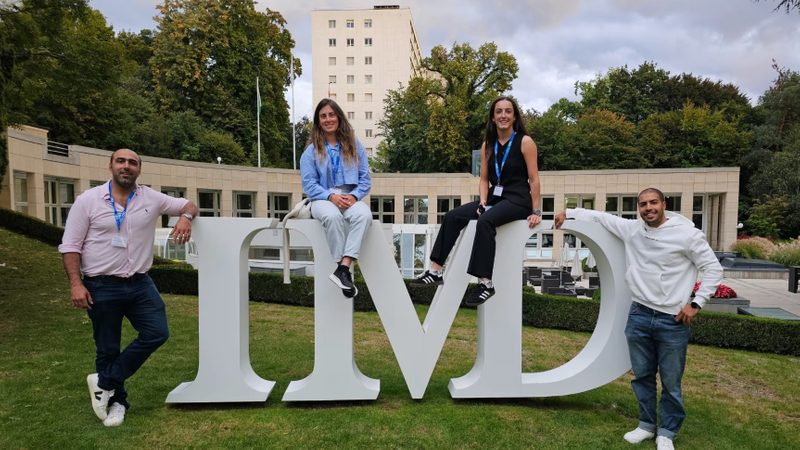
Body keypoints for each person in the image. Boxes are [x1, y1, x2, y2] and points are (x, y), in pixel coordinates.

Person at [554, 188, 722, 450]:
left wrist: (696, 303)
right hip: (639, 314)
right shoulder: (633, 229)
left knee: (671, 382)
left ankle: (667, 432)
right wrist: (569, 212)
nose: (648, 208)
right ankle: (646, 425)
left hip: (672, 320)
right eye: (643, 204)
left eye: (653, 202)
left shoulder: (687, 234)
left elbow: (713, 268)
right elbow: (601, 217)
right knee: (642, 376)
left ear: (664, 204)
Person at [59, 148, 198, 427]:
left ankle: (104, 382)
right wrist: (76, 283)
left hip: (139, 283)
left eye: (132, 162)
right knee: (107, 348)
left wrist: (185, 217)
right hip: (101, 285)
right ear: (110, 166)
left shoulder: (151, 198)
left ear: (139, 169)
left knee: (157, 332)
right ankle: (117, 403)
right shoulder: (88, 201)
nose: (126, 166)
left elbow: (189, 205)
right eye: (121, 161)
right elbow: (71, 245)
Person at [412, 96, 542, 306]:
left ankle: (485, 283)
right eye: (498, 111)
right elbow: (483, 179)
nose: (503, 115)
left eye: (508, 111)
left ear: (514, 116)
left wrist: (536, 211)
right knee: (453, 216)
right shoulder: (487, 146)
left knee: (485, 221)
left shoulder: (525, 142)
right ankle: (436, 270)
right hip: (494, 197)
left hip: (518, 199)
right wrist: (482, 201)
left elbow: (534, 179)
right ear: (493, 117)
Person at [300, 98, 372, 298]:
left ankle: (343, 268)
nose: (328, 119)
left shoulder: (355, 145)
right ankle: (343, 273)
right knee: (332, 217)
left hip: (350, 197)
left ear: (339, 117)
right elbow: (309, 185)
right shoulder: (310, 152)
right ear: (318, 121)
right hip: (322, 199)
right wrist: (330, 196)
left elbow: (365, 179)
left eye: (331, 115)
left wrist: (355, 196)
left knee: (364, 215)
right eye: (323, 116)